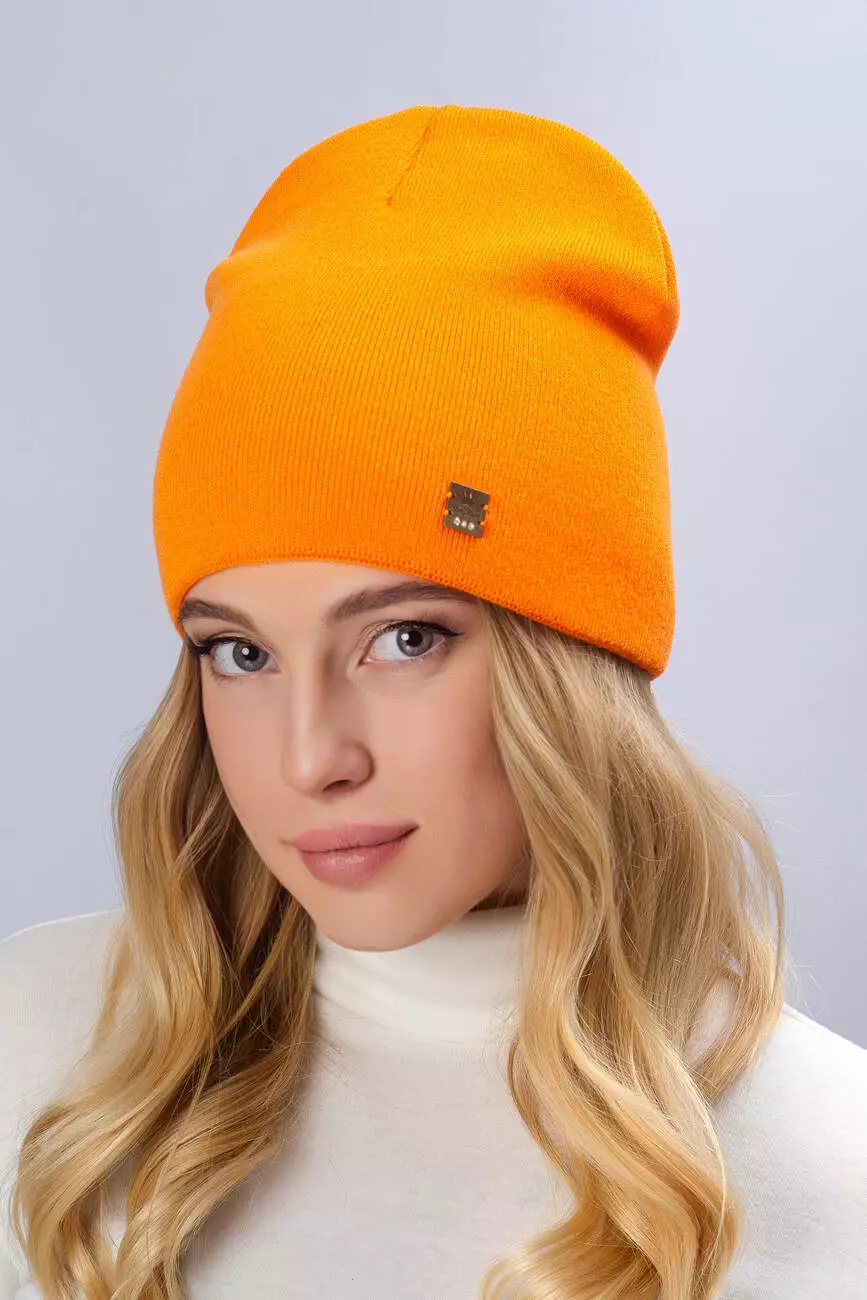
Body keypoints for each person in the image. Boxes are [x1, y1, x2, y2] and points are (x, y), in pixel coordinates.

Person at [1, 103, 865, 1300]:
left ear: (572, 666)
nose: (309, 757)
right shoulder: (38, 1048)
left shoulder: (830, 1165)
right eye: (238, 652)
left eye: (405, 638)